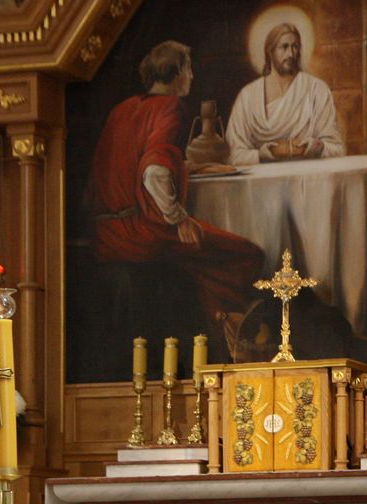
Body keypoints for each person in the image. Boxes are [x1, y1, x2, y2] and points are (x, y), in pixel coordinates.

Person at [89, 40, 264, 351]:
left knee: (201, 259)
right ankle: (231, 335)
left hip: (106, 233)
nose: (192, 76)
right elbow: (154, 172)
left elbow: (126, 167)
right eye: (189, 69)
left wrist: (182, 168)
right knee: (245, 254)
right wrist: (179, 219)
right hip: (140, 236)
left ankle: (222, 328)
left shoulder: (122, 109)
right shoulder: (170, 107)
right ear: (177, 72)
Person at [226, 22, 345, 164]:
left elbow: (337, 148)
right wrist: (259, 155)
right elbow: (232, 154)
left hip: (308, 174)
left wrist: (318, 147)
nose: (291, 54)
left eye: (295, 46)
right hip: (262, 176)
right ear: (270, 51)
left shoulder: (316, 90)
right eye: (284, 47)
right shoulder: (247, 96)